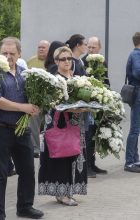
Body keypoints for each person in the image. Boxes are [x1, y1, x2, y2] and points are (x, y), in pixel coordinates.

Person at [0, 37, 44, 220]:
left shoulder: (25, 74)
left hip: (22, 130)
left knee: (27, 170)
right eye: (5, 53)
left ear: (19, 54)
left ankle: (25, 207)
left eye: (12, 53)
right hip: (0, 129)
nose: (8, 56)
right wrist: (23, 107)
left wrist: (37, 106)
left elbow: (34, 98)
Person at [38, 46, 88, 206]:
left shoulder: (77, 78)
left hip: (76, 124)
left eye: (69, 59)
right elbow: (51, 103)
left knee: (74, 156)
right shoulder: (54, 79)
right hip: (59, 124)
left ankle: (69, 191)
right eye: (63, 59)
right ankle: (62, 194)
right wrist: (72, 108)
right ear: (56, 61)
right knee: (62, 157)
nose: (67, 62)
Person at [81, 36, 109, 178]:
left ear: (99, 47)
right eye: (89, 47)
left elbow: (106, 80)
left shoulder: (102, 61)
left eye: (93, 47)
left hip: (100, 102)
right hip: (88, 103)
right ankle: (86, 167)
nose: (91, 50)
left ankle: (92, 164)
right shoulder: (83, 61)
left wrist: (107, 96)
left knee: (94, 135)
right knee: (87, 134)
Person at [27, 40, 50, 157]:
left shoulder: (51, 62)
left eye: (44, 48)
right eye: (39, 47)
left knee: (49, 124)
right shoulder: (31, 61)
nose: (41, 49)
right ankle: (35, 148)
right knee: (34, 123)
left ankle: (49, 147)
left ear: (48, 49)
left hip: (49, 99)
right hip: (35, 98)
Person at [124, 32, 140, 173]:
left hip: (137, 92)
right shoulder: (136, 54)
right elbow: (137, 72)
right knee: (135, 129)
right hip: (138, 93)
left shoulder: (135, 54)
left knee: (136, 129)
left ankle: (135, 158)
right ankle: (129, 162)